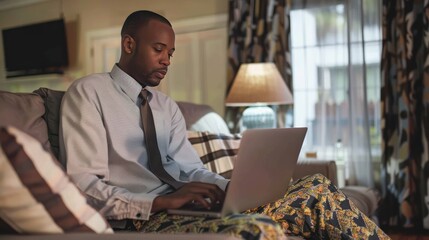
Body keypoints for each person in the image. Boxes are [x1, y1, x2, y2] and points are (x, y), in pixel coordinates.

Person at [59, 10, 390, 240]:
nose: (166, 61)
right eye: (159, 49)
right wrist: (160, 202)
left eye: (171, 54)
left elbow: (189, 169)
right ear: (128, 44)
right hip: (143, 220)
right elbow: (83, 186)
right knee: (255, 229)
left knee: (315, 187)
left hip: (188, 210)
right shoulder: (89, 93)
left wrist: (226, 189)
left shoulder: (164, 105)